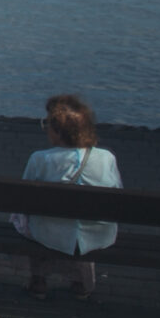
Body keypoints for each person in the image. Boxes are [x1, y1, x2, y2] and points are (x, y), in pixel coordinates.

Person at [12, 93, 121, 299]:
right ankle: (82, 284)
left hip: (50, 233)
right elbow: (117, 193)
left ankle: (39, 280)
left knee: (32, 219)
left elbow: (23, 200)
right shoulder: (107, 158)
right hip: (97, 234)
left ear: (58, 132)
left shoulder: (40, 159)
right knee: (81, 222)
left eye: (48, 125)